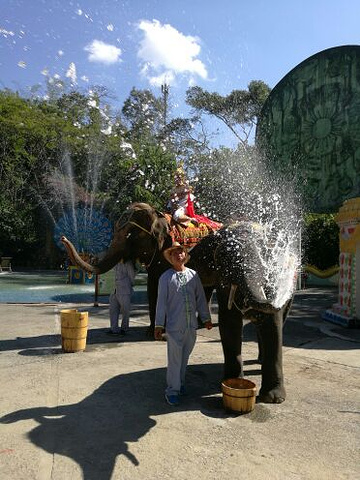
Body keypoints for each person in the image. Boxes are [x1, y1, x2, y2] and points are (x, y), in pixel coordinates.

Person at [154, 242, 213, 406]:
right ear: (170, 258)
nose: (178, 255)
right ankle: (172, 390)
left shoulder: (193, 275)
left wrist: (206, 318)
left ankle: (179, 384)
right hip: (174, 327)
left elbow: (201, 298)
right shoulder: (165, 278)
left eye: (181, 252)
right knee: (174, 360)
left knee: (184, 357)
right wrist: (159, 325)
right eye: (174, 253)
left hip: (191, 326)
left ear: (185, 255)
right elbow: (161, 303)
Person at [108, 260, 136, 336]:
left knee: (125, 310)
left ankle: (124, 328)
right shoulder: (114, 263)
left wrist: (130, 285)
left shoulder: (127, 263)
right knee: (113, 310)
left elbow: (131, 275)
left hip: (124, 289)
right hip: (114, 289)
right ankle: (114, 328)